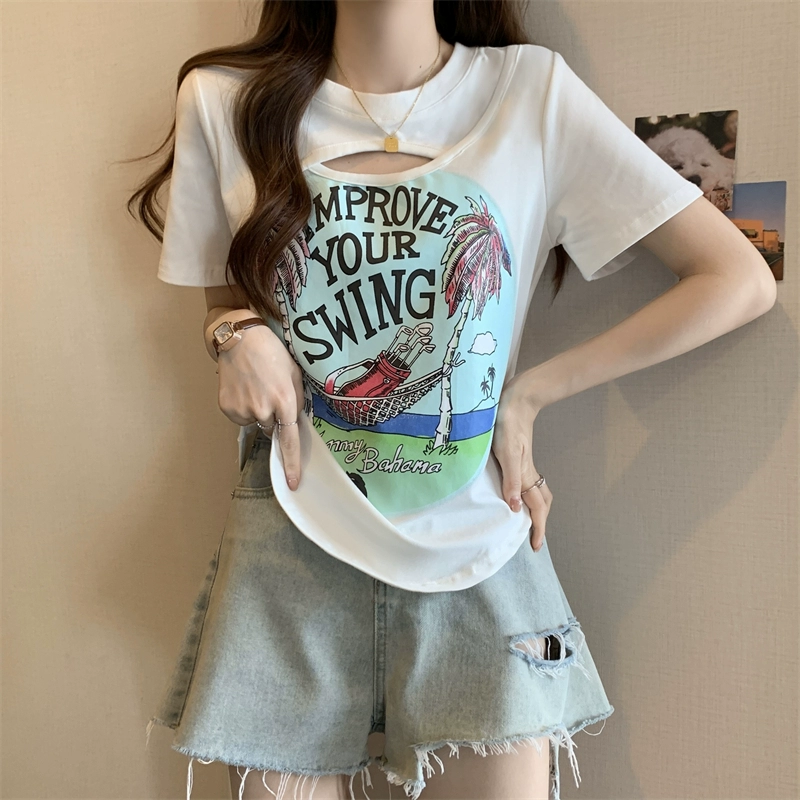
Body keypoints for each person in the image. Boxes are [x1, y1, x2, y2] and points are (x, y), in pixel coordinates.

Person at [129, 2, 776, 799]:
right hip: (289, 545)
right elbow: (226, 305)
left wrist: (529, 396)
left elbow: (737, 279)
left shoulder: (529, 93)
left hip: (478, 552)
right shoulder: (227, 100)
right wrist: (233, 334)